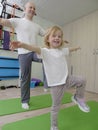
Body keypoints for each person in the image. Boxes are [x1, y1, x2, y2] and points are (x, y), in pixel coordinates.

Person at [10, 26, 90, 130]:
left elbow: (70, 49)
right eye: (54, 36)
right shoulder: (45, 52)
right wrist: (22, 44)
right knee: (56, 107)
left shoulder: (62, 51)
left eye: (59, 36)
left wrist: (77, 47)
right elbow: (33, 48)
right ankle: (54, 126)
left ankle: (77, 97)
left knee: (82, 80)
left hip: (67, 79)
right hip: (56, 86)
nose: (57, 38)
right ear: (48, 39)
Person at [0, 1, 48, 110]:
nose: (32, 9)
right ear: (25, 9)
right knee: (25, 78)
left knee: (47, 57)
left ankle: (47, 83)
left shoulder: (37, 26)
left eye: (34, 8)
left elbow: (47, 35)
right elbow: (3, 21)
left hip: (34, 51)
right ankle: (25, 100)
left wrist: (59, 38)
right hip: (23, 53)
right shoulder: (18, 21)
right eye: (30, 7)